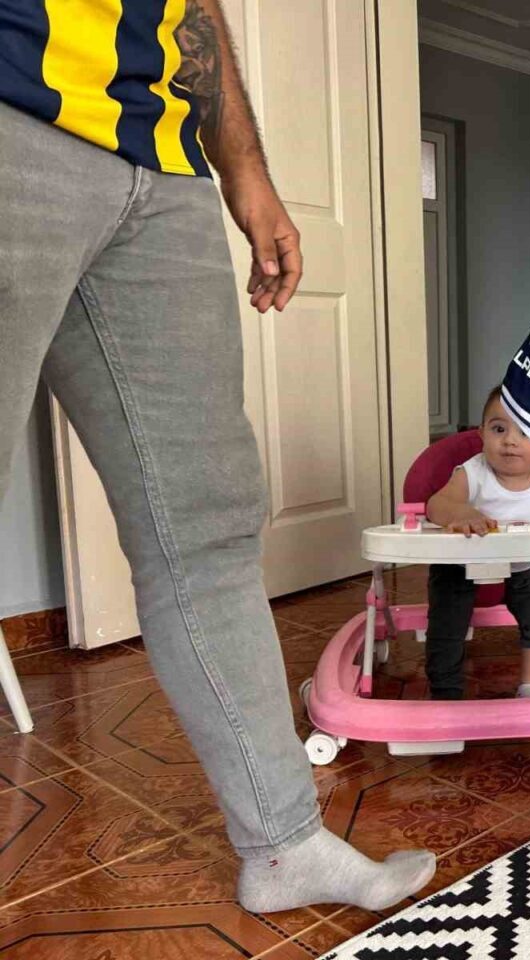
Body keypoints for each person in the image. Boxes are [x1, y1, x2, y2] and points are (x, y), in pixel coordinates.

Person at [0, 0, 434, 913]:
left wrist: (245, 170)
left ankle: (284, 847)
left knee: (208, 524)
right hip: (11, 112)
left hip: (160, 159)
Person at [424, 386, 530, 699]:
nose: (510, 440)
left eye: (526, 432)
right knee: (446, 624)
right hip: (461, 566)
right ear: (481, 434)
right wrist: (462, 512)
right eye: (498, 429)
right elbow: (437, 504)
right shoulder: (473, 473)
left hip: (524, 567)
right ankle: (446, 691)